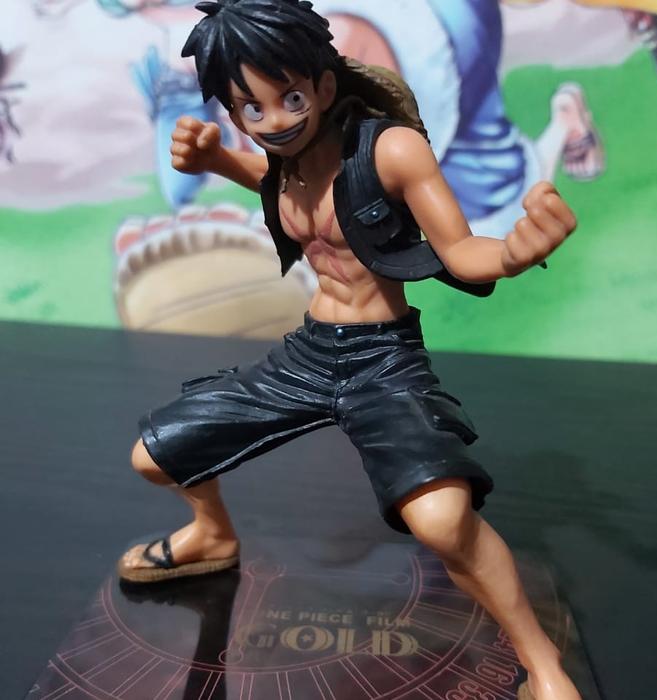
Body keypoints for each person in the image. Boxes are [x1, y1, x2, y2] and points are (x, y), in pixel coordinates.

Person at [118, 2, 579, 698]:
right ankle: (212, 536)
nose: (275, 121)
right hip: (308, 354)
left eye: (291, 98)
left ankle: (541, 662)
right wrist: (216, 159)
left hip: (381, 360)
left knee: (444, 523)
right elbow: (278, 181)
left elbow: (460, 251)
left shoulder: (389, 151)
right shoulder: (284, 158)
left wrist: (513, 253)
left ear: (325, 85)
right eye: (251, 109)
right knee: (157, 454)